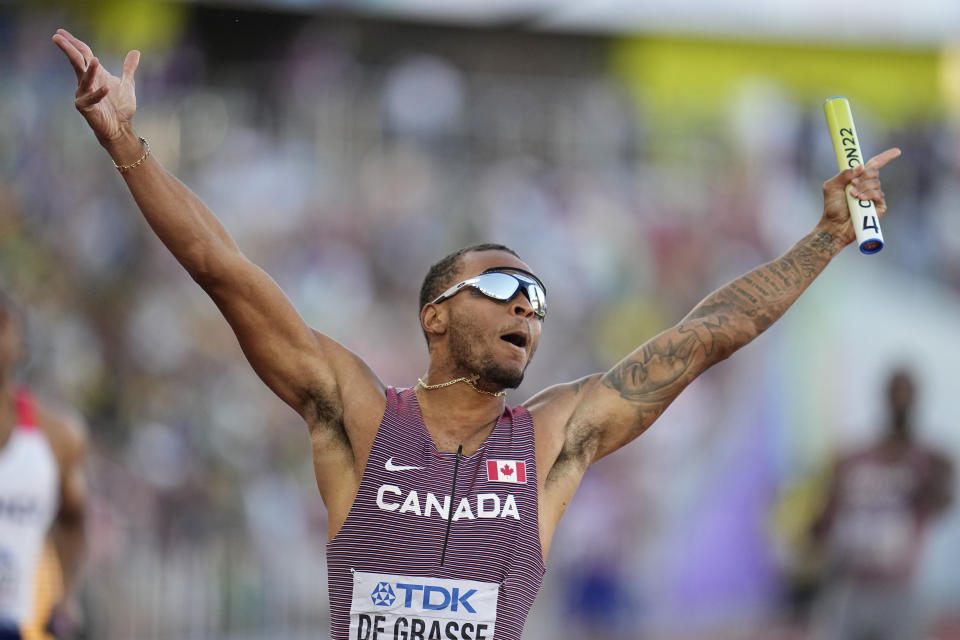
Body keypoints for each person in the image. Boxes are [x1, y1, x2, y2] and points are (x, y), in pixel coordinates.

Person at [52, 28, 901, 640]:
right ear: (436, 313)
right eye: (502, 287)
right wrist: (126, 142)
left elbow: (709, 335)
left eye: (535, 293)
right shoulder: (354, 412)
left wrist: (826, 236)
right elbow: (223, 270)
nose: (527, 305)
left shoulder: (556, 437)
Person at [810, 368, 953, 640]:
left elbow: (942, 502)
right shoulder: (852, 459)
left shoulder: (930, 461)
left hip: (899, 588)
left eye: (906, 394)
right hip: (849, 584)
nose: (900, 401)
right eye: (895, 393)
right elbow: (825, 517)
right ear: (884, 397)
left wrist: (928, 482)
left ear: (916, 399)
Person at [0, 292, 88, 640]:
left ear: (22, 344)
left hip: (20, 625)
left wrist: (66, 596)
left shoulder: (59, 437)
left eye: (3, 322)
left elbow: (73, 522)